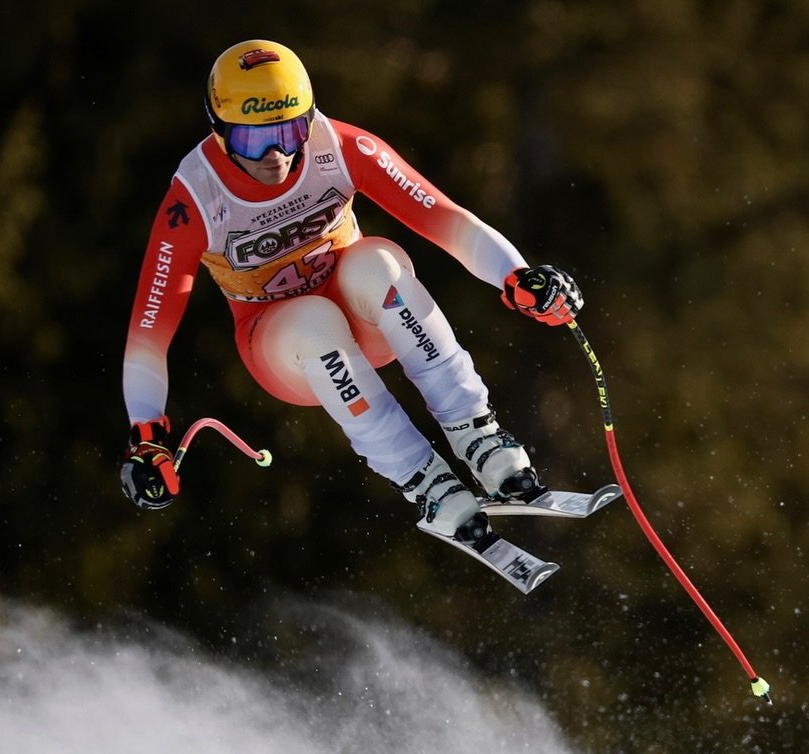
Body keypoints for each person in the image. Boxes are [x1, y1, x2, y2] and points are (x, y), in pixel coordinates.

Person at [119, 39, 583, 545]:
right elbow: (150, 332)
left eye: (291, 131)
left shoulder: (338, 147)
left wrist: (517, 277)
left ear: (310, 119)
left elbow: (442, 217)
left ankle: (478, 435)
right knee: (311, 318)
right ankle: (422, 479)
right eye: (254, 142)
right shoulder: (194, 198)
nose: (276, 155)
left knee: (377, 261)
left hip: (368, 315)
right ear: (219, 131)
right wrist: (147, 437)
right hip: (285, 348)